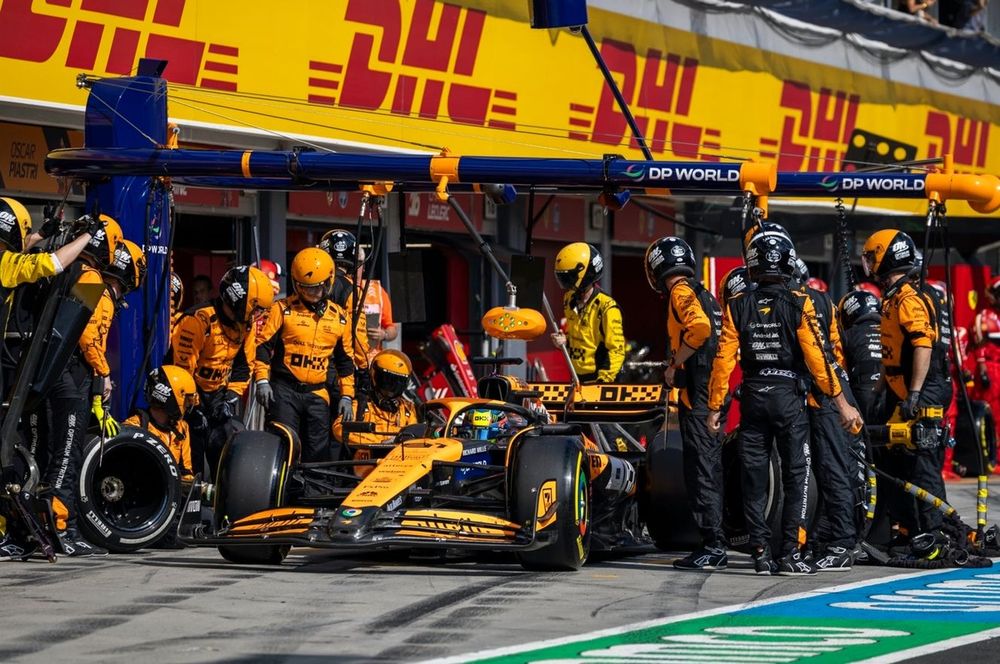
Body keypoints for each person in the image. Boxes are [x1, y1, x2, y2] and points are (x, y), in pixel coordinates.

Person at [707, 233, 862, 576]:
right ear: (789, 262)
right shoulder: (800, 302)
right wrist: (841, 403)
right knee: (797, 476)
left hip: (751, 398)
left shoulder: (737, 304)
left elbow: (723, 362)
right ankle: (791, 553)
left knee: (754, 478)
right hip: (789, 399)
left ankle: (761, 552)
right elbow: (818, 358)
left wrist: (716, 408)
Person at [42, 219, 144, 557]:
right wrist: (103, 374)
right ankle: (59, 527)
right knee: (67, 455)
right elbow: (85, 333)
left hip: (56, 373)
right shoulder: (91, 280)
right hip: (70, 376)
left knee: (55, 451)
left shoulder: (76, 272)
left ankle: (54, 524)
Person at [861, 229, 950, 543]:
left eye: (872, 256)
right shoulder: (894, 295)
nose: (869, 263)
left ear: (888, 255)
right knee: (894, 460)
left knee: (922, 464)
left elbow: (922, 346)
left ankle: (937, 534)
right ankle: (908, 530)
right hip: (902, 389)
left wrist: (913, 393)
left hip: (923, 389)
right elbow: (894, 351)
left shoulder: (910, 297)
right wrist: (880, 389)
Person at [644, 236, 726, 571]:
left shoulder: (680, 292)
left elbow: (700, 329)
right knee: (711, 466)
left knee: (700, 469)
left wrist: (675, 365)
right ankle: (717, 539)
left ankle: (713, 544)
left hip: (699, 394)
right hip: (711, 391)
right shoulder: (704, 292)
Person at [170, 266, 274, 479]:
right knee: (192, 461)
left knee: (230, 457)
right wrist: (194, 407)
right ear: (238, 299)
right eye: (255, 308)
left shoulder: (246, 325)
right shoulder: (198, 320)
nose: (257, 315)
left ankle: (226, 504)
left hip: (219, 396)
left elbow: (245, 366)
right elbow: (181, 371)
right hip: (188, 398)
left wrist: (231, 398)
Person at [254, 248, 356, 463]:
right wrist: (262, 380)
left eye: (318, 287)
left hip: (318, 394)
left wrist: (347, 396)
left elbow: (346, 361)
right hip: (284, 391)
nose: (313, 293)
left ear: (328, 282)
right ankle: (278, 494)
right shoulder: (281, 309)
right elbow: (262, 347)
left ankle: (313, 494)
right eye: (306, 288)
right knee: (283, 446)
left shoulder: (340, 318)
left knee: (318, 452)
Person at [800, 269, 859, 571]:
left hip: (825, 392)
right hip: (836, 384)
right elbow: (837, 349)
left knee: (832, 469)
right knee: (831, 469)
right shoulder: (825, 301)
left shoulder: (796, 301)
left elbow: (816, 354)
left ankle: (842, 542)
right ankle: (828, 539)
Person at [333, 349, 418, 477]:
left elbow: (416, 438)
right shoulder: (361, 405)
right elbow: (339, 429)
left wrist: (395, 443)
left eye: (397, 383)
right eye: (388, 381)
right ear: (375, 376)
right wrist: (377, 444)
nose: (391, 389)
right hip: (364, 474)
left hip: (399, 473)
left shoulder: (408, 409)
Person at [551, 242, 625, 384]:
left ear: (586, 274)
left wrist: (603, 381)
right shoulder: (568, 299)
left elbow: (617, 350)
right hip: (576, 376)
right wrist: (564, 341)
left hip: (601, 379)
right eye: (562, 278)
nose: (566, 284)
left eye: (569, 278)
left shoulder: (607, 307)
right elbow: (579, 335)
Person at [319, 229, 371, 405]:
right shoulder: (351, 291)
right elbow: (358, 334)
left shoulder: (311, 283)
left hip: (302, 366)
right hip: (335, 367)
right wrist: (364, 368)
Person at [124, 365, 198, 484]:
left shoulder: (182, 428)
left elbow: (185, 471)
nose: (188, 406)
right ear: (169, 397)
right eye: (186, 400)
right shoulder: (134, 426)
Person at [838, 289, 885, 425]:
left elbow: (840, 370)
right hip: (890, 393)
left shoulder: (848, 335)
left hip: (864, 393)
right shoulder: (890, 330)